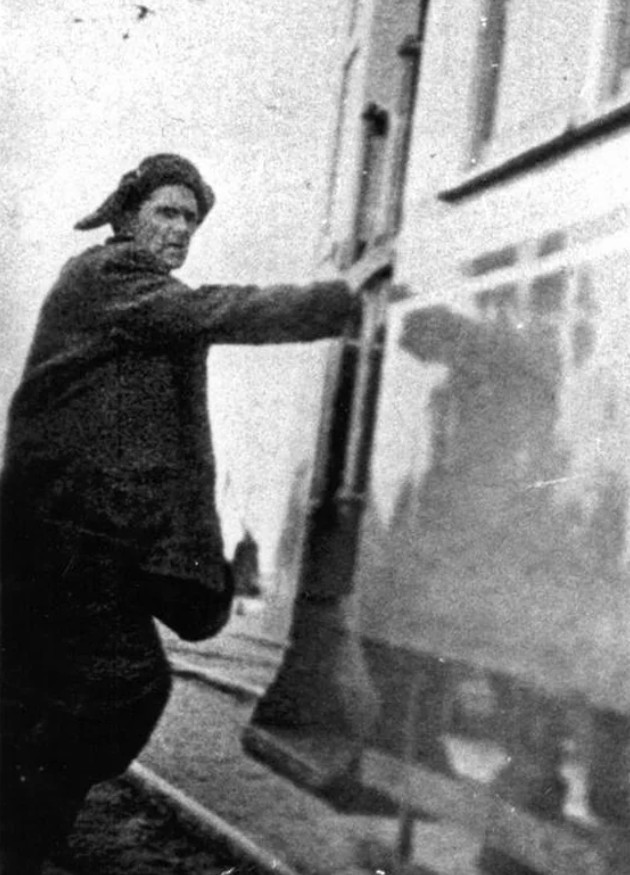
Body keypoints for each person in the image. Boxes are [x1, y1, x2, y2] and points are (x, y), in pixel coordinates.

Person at [0, 153, 363, 873]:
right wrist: (337, 302)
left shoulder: (133, 297)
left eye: (190, 219)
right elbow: (216, 310)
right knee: (125, 686)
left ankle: (24, 836)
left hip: (79, 542)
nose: (180, 230)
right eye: (166, 212)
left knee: (62, 699)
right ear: (126, 217)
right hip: (61, 541)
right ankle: (21, 832)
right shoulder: (109, 275)